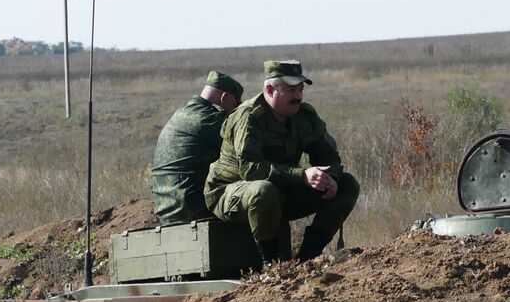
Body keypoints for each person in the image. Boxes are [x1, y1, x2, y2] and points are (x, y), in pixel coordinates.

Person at [204, 60, 359, 262]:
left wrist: (330, 177)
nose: (298, 96)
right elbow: (250, 170)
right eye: (291, 90)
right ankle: (272, 265)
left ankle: (306, 260)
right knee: (263, 191)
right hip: (231, 192)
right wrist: (302, 175)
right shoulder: (249, 116)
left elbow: (328, 155)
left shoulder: (305, 116)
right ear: (270, 90)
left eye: (300, 89)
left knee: (346, 184)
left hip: (281, 189)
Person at [151, 71, 244, 225]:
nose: (233, 111)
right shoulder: (211, 120)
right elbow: (244, 155)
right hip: (192, 209)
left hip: (165, 207)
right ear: (224, 98)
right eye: (235, 105)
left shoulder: (182, 113)